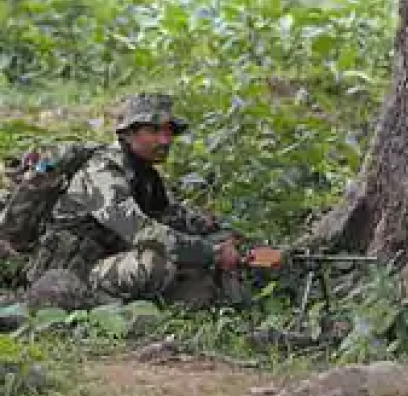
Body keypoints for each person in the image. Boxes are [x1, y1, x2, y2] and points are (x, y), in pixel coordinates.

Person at [23, 93, 243, 310]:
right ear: (128, 134)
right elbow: (139, 231)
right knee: (156, 263)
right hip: (70, 272)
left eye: (168, 131)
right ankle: (97, 305)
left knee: (200, 252)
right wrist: (210, 252)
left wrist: (223, 235)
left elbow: (173, 216)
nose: (165, 140)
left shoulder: (144, 174)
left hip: (108, 259)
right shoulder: (102, 171)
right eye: (154, 131)